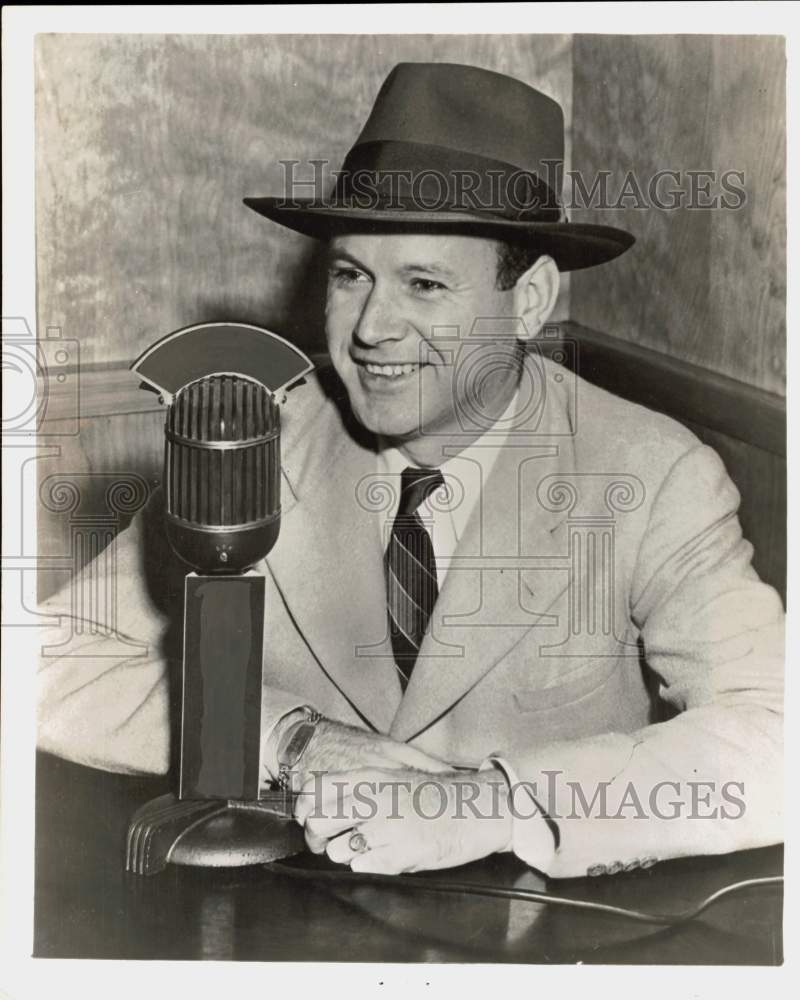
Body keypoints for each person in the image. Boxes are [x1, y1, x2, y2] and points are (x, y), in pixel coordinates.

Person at [37, 62, 784, 879]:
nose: (369, 329)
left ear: (529, 301)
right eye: (351, 275)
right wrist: (292, 741)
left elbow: (776, 731)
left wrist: (490, 805)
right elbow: (49, 663)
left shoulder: (653, 474)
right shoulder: (254, 439)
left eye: (424, 285)